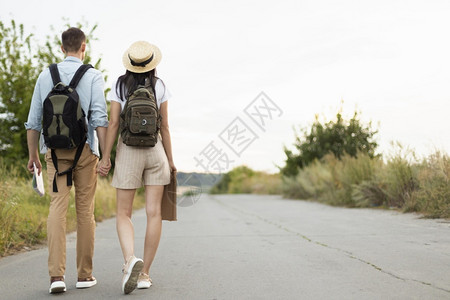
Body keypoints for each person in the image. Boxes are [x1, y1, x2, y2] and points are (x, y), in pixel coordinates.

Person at [25, 27, 108, 294]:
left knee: (57, 209)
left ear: (62, 48)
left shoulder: (45, 75)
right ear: (84, 47)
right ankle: (84, 276)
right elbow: (99, 119)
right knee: (85, 212)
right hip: (85, 151)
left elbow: (33, 119)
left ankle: (56, 277)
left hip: (55, 153)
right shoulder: (93, 76)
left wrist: (33, 155)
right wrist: (105, 155)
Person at [98, 41, 176, 294]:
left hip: (129, 149)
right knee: (154, 213)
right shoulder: (160, 85)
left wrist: (105, 157)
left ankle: (130, 259)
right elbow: (164, 126)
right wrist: (171, 160)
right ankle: (144, 274)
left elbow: (112, 123)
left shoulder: (120, 84)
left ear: (129, 63)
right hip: (155, 150)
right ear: (152, 63)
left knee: (124, 213)